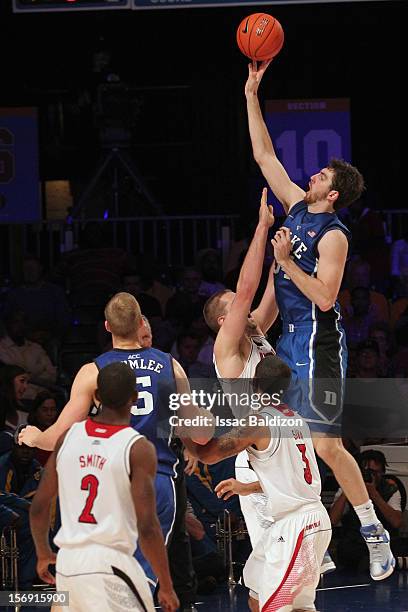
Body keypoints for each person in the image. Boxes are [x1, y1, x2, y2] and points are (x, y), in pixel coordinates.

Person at [245, 59, 394, 580]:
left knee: (326, 443)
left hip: (321, 346)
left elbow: (328, 299)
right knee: (277, 439)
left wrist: (285, 263)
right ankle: (313, 536)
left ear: (333, 194)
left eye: (321, 176)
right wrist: (250, 94)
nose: (311, 174)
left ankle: (374, 532)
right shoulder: (294, 210)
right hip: (288, 342)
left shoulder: (334, 235)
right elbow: (264, 155)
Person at [19, 292, 213, 588]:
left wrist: (34, 436)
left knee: (105, 583)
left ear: (107, 326)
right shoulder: (169, 365)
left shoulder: (92, 371)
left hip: (111, 480)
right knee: (139, 585)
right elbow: (198, 433)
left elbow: (57, 437)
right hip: (158, 482)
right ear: (139, 323)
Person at [180, 355, 332, 612]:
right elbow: (292, 479)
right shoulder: (298, 420)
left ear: (254, 384)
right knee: (257, 595)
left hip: (297, 526)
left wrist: (186, 431)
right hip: (302, 522)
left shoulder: (258, 422)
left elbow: (210, 454)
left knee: (274, 608)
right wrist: (246, 487)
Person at [29, 362, 178, 612]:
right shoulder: (138, 447)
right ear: (135, 397)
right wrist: (166, 583)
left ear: (96, 396)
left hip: (69, 564)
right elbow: (148, 527)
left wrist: (43, 553)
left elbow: (39, 506)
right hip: (112, 565)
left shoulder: (69, 437)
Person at [203, 188, 277, 548]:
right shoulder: (226, 347)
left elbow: (271, 293)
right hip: (257, 455)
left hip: (281, 443)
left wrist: (286, 251)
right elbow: (248, 288)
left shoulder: (254, 330)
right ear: (221, 320)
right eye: (234, 306)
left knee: (302, 566)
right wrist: (261, 227)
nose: (243, 307)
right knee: (274, 558)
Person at [330, 450, 404, 572]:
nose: (371, 476)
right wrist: (348, 489)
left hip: (384, 541)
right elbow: (332, 520)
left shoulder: (390, 489)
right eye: (367, 472)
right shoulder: (347, 487)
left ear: (382, 472)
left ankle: (374, 562)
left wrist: (374, 494)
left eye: (375, 472)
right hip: (357, 541)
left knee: (400, 546)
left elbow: (397, 522)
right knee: (345, 550)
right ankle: (390, 562)